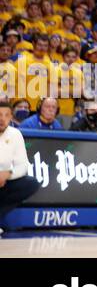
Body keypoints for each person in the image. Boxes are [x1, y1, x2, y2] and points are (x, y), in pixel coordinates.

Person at [0, 101, 39, 235]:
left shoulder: (15, 134)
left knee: (30, 183)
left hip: (3, 180)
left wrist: (8, 174)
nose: (2, 119)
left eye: (6, 115)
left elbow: (23, 165)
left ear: (11, 117)